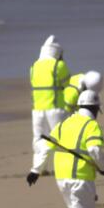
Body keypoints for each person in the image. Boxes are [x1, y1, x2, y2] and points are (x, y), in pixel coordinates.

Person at [26, 90, 104, 208]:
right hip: (81, 177)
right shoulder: (91, 125)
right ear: (95, 109)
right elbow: (95, 150)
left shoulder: (63, 125)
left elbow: (45, 148)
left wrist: (36, 170)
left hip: (62, 178)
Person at [29, 35, 70, 172]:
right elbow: (68, 86)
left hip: (38, 110)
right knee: (61, 139)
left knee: (39, 139)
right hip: (55, 108)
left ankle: (39, 168)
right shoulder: (59, 66)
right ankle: (63, 166)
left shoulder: (34, 67)